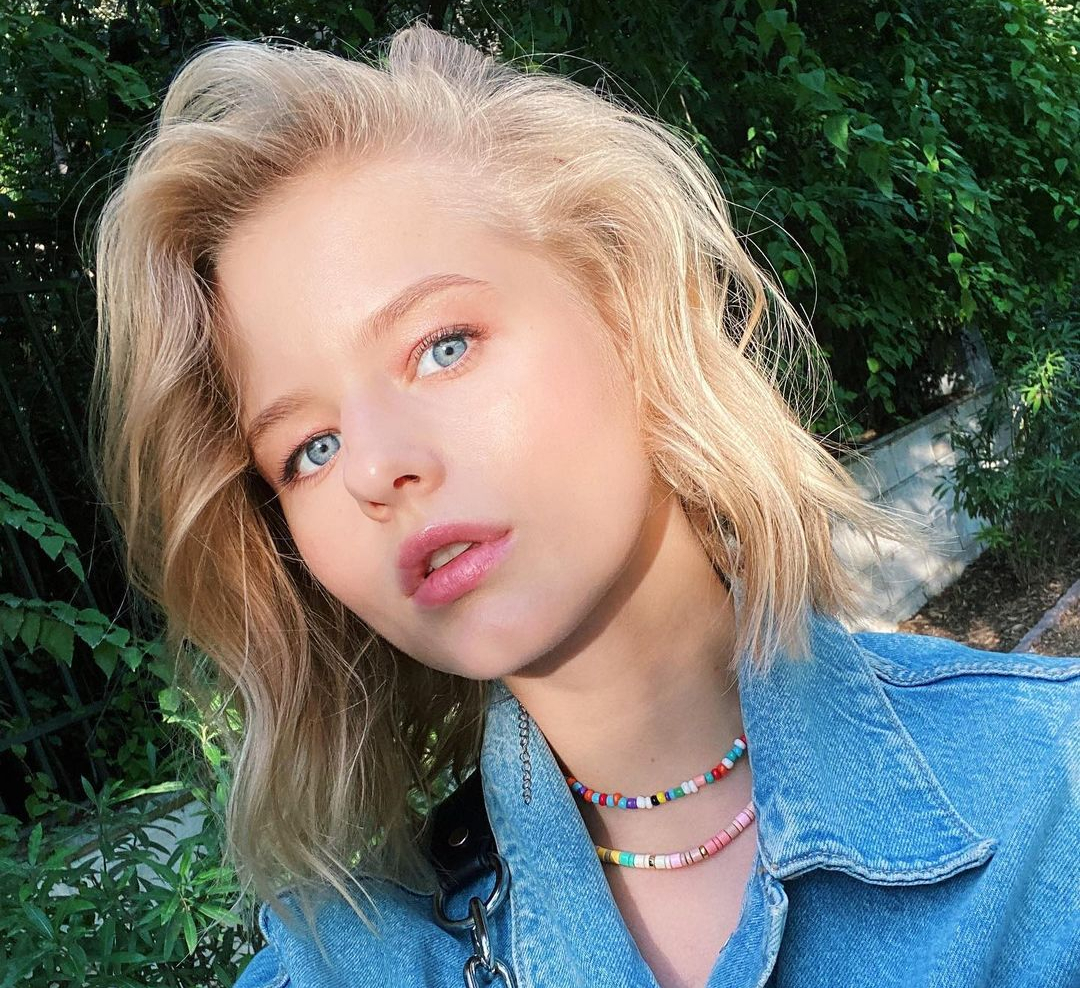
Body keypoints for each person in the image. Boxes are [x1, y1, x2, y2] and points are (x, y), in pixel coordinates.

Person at [90, 20, 1079, 988]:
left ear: (624, 301)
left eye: (443, 346)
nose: (374, 469)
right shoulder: (353, 959)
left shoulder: (1052, 791)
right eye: (309, 449)